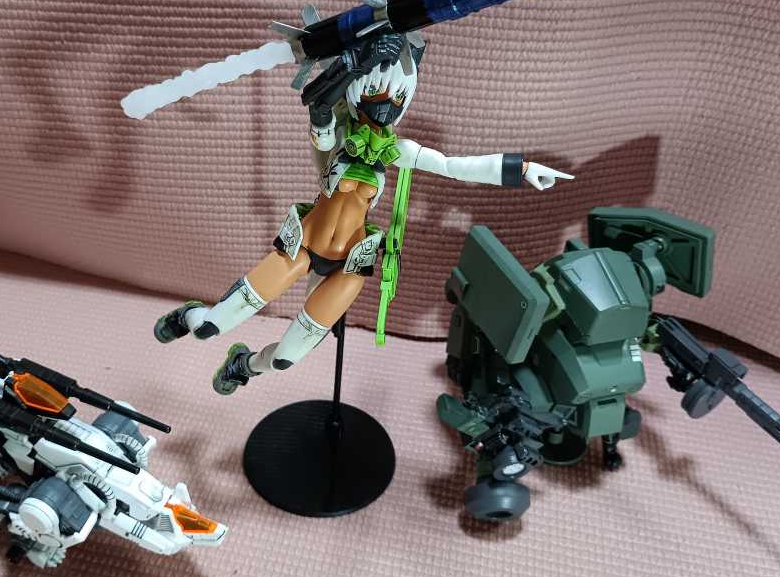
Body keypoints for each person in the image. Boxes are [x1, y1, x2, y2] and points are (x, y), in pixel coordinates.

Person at [154, 33, 573, 394]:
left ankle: (243, 365)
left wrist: (521, 169)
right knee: (209, 326)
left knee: (284, 358)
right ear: (359, 91)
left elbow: (454, 166)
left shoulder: (398, 151)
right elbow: (316, 104)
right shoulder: (336, 137)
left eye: (397, 97)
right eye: (377, 93)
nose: (387, 104)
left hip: (350, 264)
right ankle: (189, 314)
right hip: (303, 248)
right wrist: (355, 63)